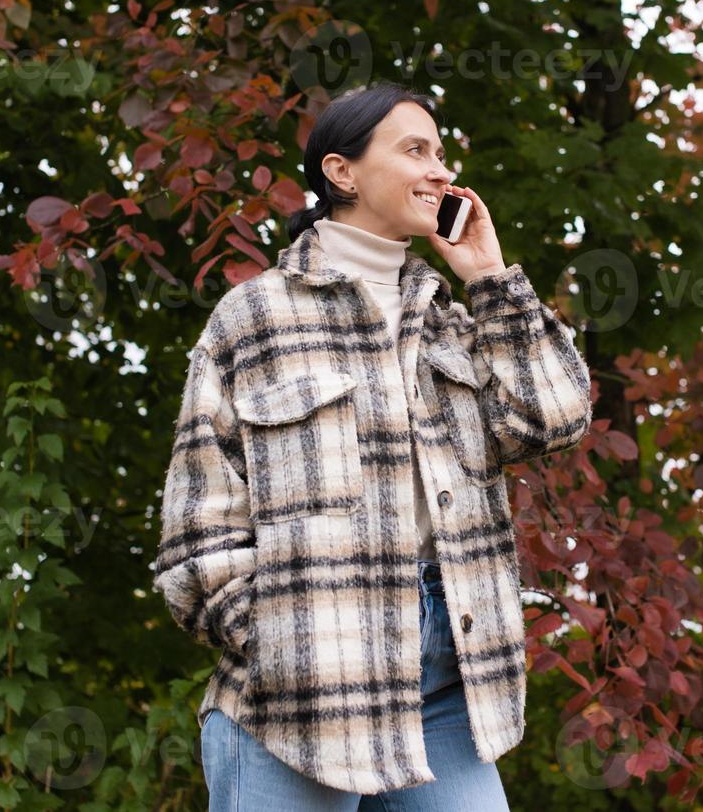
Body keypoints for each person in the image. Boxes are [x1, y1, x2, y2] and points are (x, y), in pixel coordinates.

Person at [154, 80, 593, 810]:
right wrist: (279, 642)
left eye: (442, 155)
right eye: (415, 150)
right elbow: (197, 529)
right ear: (341, 171)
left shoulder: (453, 320)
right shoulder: (254, 317)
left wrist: (488, 277)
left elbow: (553, 418)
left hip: (448, 690)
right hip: (292, 701)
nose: (440, 171)